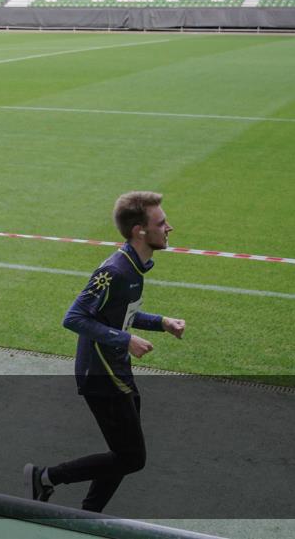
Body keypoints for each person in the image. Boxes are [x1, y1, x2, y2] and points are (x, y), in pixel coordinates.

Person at [23, 191, 186, 513]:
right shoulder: (114, 271)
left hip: (116, 369)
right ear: (140, 230)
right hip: (99, 375)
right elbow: (74, 317)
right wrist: (124, 340)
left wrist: (161, 322)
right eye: (162, 222)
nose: (170, 228)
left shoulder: (135, 266)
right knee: (131, 457)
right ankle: (46, 476)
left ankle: (89, 513)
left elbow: (118, 314)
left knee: (122, 453)